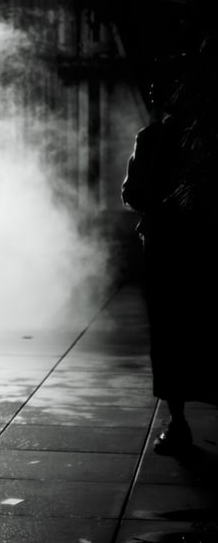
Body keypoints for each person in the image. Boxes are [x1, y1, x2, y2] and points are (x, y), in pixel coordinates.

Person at [121, 45, 218, 455]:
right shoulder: (211, 139)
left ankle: (178, 424)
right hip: (209, 249)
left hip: (166, 251)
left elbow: (133, 193)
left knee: (170, 334)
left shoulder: (154, 139)